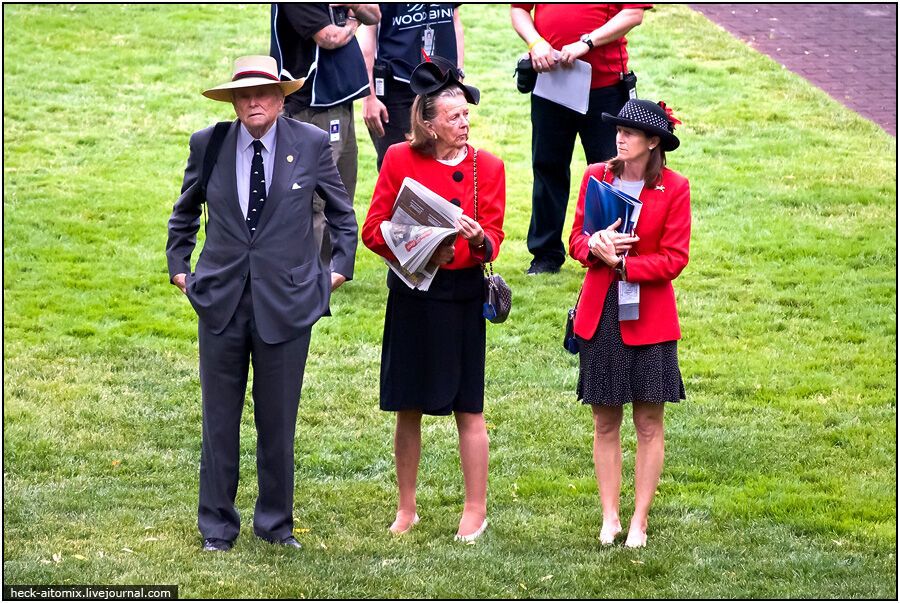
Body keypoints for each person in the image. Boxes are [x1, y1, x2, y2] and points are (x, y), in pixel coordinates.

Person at [166, 55, 358, 552]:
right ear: (232, 100)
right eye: (244, 94)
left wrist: (338, 269)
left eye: (264, 92)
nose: (254, 101)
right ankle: (217, 527)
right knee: (219, 421)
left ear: (281, 97)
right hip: (221, 302)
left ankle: (275, 525)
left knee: (278, 421)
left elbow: (342, 214)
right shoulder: (208, 144)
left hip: (288, 304)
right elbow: (184, 211)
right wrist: (179, 266)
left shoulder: (312, 143)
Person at [361, 57, 505, 542]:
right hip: (413, 293)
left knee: (469, 406)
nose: (464, 124)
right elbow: (373, 229)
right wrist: (422, 248)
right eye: (453, 117)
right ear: (428, 122)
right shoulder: (399, 159)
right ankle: (406, 508)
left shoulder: (489, 168)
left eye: (466, 115)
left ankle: (475, 509)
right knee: (408, 405)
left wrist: (477, 240)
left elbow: (496, 240)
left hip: (461, 297)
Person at [568, 99, 690, 548]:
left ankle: (640, 519)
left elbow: (675, 258)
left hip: (651, 318)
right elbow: (575, 238)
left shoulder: (675, 188)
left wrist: (624, 267)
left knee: (649, 421)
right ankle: (610, 517)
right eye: (618, 129)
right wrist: (594, 247)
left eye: (630, 132)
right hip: (601, 313)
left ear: (653, 142)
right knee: (604, 421)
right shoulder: (594, 176)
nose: (620, 137)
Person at [510, 3, 651, 275]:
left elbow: (634, 13)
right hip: (551, 83)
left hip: (605, 87)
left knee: (611, 173)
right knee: (547, 167)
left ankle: (611, 250)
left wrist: (588, 41)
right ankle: (545, 254)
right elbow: (519, 9)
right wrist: (535, 41)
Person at [270, 3, 380, 263]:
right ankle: (305, 274)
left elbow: (374, 14)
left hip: (341, 101)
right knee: (314, 198)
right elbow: (329, 37)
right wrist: (353, 22)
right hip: (311, 109)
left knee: (341, 191)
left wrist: (352, 6)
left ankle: (330, 272)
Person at [358, 3, 464, 170]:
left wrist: (459, 76)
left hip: (441, 83)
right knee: (398, 168)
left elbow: (455, 21)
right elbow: (367, 37)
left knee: (444, 162)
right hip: (396, 86)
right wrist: (369, 96)